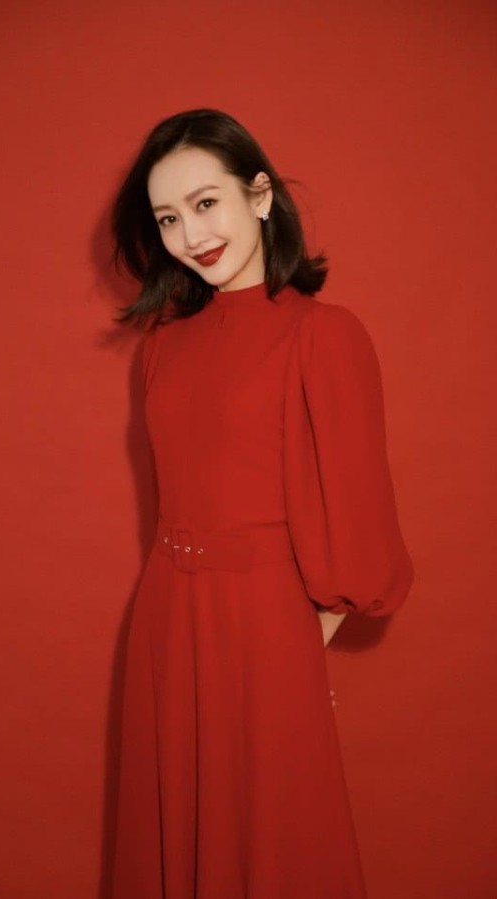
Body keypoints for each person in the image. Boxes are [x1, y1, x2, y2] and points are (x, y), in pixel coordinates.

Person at [107, 108, 414, 899]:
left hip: (265, 623)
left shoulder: (323, 333)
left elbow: (358, 512)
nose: (190, 235)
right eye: (168, 218)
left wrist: (298, 644)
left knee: (275, 840)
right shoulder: (162, 348)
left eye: (206, 203)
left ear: (261, 194)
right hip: (166, 622)